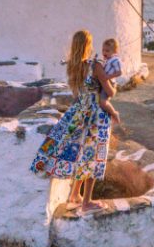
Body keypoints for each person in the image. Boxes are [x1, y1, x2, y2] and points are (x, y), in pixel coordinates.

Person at [29, 29, 112, 212]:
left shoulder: (72, 66)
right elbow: (110, 91)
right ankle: (86, 203)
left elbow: (77, 93)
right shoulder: (94, 65)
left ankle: (75, 194)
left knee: (81, 152)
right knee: (91, 154)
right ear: (88, 45)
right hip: (95, 114)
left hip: (77, 112)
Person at [95, 38, 123, 122]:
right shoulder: (107, 60)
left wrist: (108, 77)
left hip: (110, 82)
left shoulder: (115, 60)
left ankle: (114, 113)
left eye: (107, 51)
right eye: (103, 50)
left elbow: (119, 72)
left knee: (103, 101)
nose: (104, 53)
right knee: (99, 101)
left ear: (114, 51)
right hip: (105, 81)